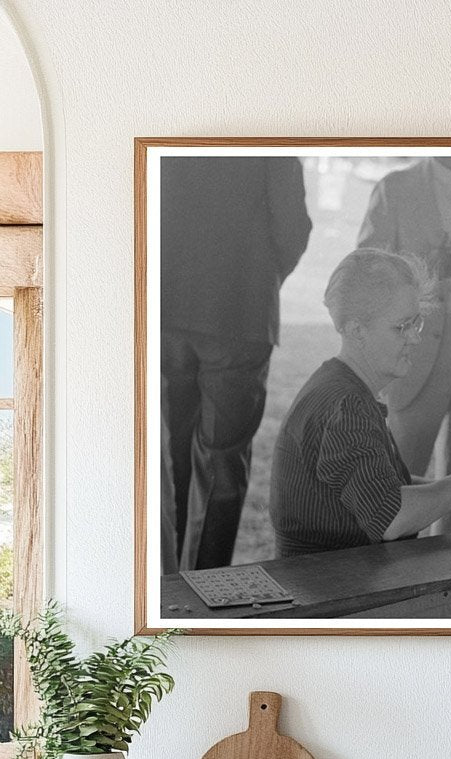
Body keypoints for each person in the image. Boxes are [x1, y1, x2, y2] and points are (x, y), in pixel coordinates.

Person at [269, 248, 451, 557]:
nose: (415, 338)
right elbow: (390, 518)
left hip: (337, 574)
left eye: (416, 322)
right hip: (326, 581)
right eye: (401, 326)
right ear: (356, 331)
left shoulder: (341, 388)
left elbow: (373, 485)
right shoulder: (346, 406)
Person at [161, 155, 312, 571]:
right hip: (240, 311)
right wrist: (259, 278)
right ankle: (204, 582)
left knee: (171, 454)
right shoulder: (269, 140)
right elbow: (292, 228)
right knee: (222, 459)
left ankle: (166, 579)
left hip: (167, 308)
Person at [356, 156, 451, 519]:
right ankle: (393, 547)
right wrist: (424, 268)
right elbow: (366, 268)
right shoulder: (396, 186)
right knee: (405, 457)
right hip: (421, 338)